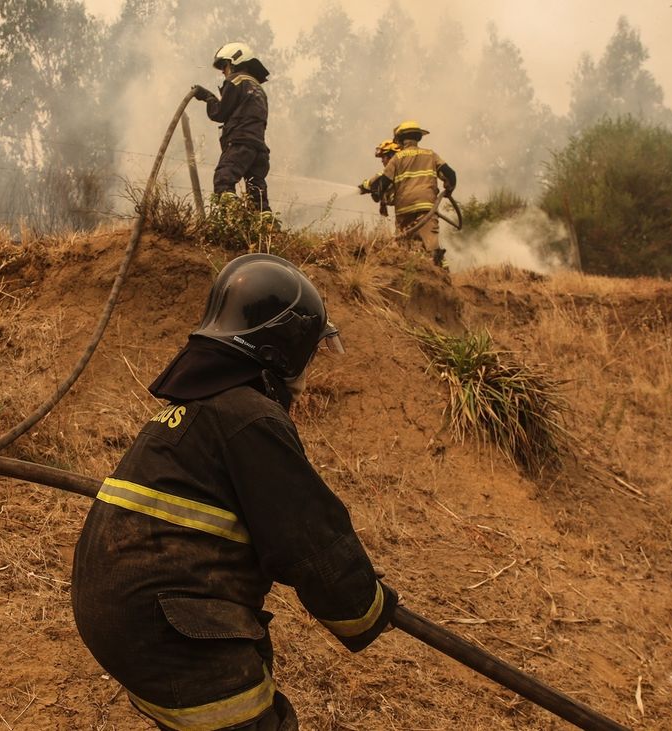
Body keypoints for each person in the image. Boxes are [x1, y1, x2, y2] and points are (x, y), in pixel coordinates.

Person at [72, 253, 398, 731]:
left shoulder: (197, 411)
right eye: (306, 355)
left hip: (118, 612)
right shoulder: (248, 417)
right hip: (165, 624)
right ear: (278, 352)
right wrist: (366, 607)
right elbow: (309, 535)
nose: (305, 380)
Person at [191, 43, 272, 212]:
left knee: (223, 179)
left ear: (234, 61)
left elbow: (219, 113)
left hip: (240, 144)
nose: (222, 71)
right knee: (257, 194)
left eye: (224, 65)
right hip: (259, 149)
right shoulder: (258, 87)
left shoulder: (235, 80)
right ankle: (268, 230)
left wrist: (208, 97)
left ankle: (232, 221)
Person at [371, 121, 457, 267]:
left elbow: (381, 184)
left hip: (403, 210)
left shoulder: (396, 159)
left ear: (400, 139)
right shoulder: (431, 155)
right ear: (418, 137)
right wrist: (448, 189)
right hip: (426, 210)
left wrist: (378, 196)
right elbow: (450, 174)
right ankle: (442, 279)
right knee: (432, 248)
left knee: (404, 249)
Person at [358, 139, 401, 217]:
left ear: (391, 157)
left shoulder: (391, 172)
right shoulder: (407, 167)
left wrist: (365, 185)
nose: (382, 161)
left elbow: (377, 178)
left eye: (383, 157)